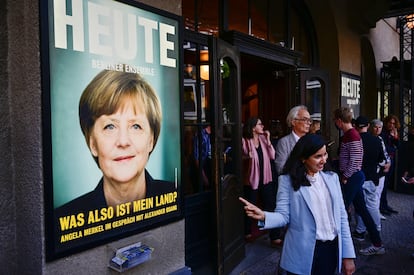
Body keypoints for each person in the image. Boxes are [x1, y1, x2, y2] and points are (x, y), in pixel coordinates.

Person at [56, 69, 176, 217]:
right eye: (110, 127)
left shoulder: (175, 197)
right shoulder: (65, 218)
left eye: (135, 126)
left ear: (151, 140)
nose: (123, 141)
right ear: (92, 143)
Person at [239, 134, 356, 275]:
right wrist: (264, 216)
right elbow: (283, 216)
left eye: (325, 154)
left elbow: (342, 218)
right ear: (303, 158)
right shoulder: (287, 181)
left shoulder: (332, 178)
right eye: (318, 156)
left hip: (330, 249)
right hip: (301, 251)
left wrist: (348, 255)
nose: (324, 160)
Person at [333, 107, 385, 255]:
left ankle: (338, 247)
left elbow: (356, 162)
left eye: (335, 121)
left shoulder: (352, 135)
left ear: (339, 121)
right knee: (362, 210)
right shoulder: (351, 134)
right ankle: (377, 243)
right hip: (354, 177)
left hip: (353, 178)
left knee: (341, 209)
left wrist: (345, 177)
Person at [272, 105, 311, 246]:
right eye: (305, 120)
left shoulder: (311, 141)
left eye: (309, 120)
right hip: (293, 188)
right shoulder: (284, 142)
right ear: (293, 121)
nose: (308, 123)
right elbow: (281, 168)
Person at [242, 117, 277, 245]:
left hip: (265, 178)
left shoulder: (263, 140)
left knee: (269, 205)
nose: (262, 126)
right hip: (251, 180)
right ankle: (247, 232)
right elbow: (241, 157)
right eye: (259, 124)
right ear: (253, 128)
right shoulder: (245, 141)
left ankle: (265, 227)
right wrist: (247, 156)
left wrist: (268, 140)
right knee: (250, 207)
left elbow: (273, 156)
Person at [353, 116, 387, 238]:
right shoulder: (377, 140)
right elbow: (382, 160)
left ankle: (360, 231)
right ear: (368, 126)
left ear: (356, 126)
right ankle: (376, 229)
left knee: (359, 206)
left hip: (358, 177)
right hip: (372, 176)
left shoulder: (354, 139)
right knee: (372, 205)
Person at [380, 114, 400, 215]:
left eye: (393, 123)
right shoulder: (382, 133)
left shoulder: (392, 133)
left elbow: (398, 146)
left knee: (386, 184)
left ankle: (385, 204)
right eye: (390, 123)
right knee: (382, 185)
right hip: (384, 161)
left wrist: (395, 137)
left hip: (391, 160)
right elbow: (386, 148)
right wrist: (393, 147)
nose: (391, 125)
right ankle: (381, 206)